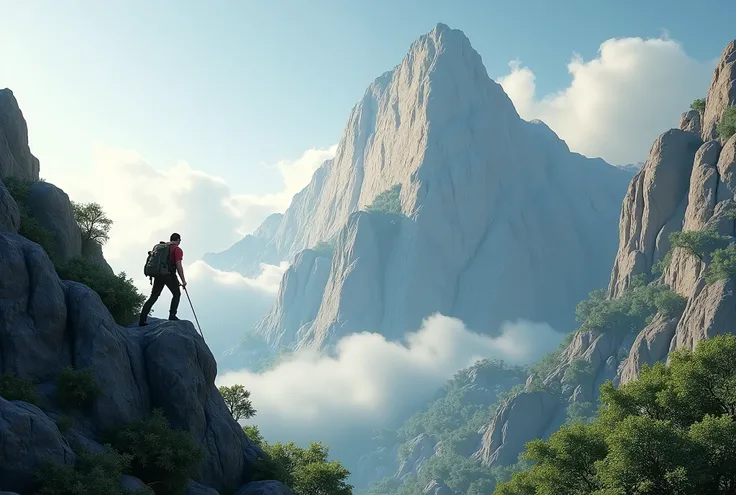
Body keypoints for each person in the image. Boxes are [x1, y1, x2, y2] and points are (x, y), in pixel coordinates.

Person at [138, 232, 188, 326]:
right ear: (178, 240)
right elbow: (178, 265)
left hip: (158, 274)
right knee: (176, 294)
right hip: (168, 274)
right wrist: (183, 281)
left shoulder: (163, 247)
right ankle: (172, 316)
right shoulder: (177, 250)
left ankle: (142, 320)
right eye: (180, 240)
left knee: (154, 296)